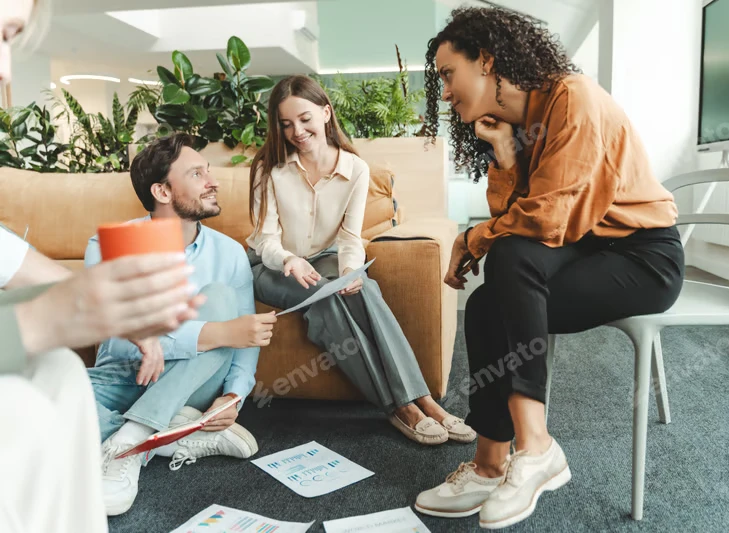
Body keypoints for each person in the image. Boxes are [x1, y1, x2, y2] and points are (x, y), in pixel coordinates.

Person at [414, 6, 685, 530]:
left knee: (510, 261)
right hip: (588, 247)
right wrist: (505, 156)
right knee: (492, 297)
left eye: (449, 74)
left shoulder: (573, 99)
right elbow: (521, 217)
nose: (444, 92)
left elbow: (546, 220)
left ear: (488, 61)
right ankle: (492, 462)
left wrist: (473, 238)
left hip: (645, 258)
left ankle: (536, 446)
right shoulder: (521, 122)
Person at [1, 1, 202, 532]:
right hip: (115, 380)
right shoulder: (108, 239)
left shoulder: (222, 249)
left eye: (9, 37)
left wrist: (123, 314)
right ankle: (150, 436)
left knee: (60, 370)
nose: (5, 68)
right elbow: (60, 302)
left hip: (148, 376)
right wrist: (44, 320)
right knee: (22, 402)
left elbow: (47, 277)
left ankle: (147, 436)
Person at [247, 75, 475, 445]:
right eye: (286, 124)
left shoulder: (355, 169)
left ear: (325, 112)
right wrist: (289, 259)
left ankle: (424, 401)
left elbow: (350, 238)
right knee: (324, 297)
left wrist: (351, 270)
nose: (297, 131)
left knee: (362, 287)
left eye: (305, 119)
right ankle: (401, 408)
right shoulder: (269, 169)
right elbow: (266, 240)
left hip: (325, 258)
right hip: (270, 265)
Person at [85, 133, 276, 516]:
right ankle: (173, 436)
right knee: (33, 403)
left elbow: (244, 338)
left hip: (193, 382)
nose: (213, 181)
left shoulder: (228, 253)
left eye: (208, 171)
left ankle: (131, 444)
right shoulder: (111, 244)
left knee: (220, 299)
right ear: (162, 191)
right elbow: (120, 340)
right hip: (122, 376)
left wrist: (233, 396)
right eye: (196, 174)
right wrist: (214, 334)